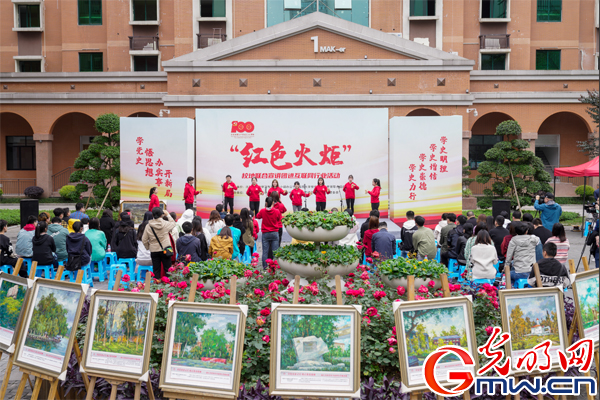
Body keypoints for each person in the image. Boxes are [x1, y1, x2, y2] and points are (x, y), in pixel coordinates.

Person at [142, 208, 176, 279]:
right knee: (168, 270)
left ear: (152, 215)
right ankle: (168, 284)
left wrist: (148, 247)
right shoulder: (166, 224)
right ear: (161, 215)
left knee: (156, 270)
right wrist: (168, 215)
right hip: (166, 249)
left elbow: (144, 240)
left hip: (154, 250)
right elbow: (173, 223)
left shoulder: (148, 226)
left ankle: (156, 284)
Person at [256, 197, 282, 268]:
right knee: (275, 252)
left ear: (266, 203)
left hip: (265, 233)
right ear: (273, 203)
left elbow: (258, 216)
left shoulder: (262, 211)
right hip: (274, 232)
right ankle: (275, 267)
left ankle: (265, 267)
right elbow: (279, 219)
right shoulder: (277, 211)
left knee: (265, 252)